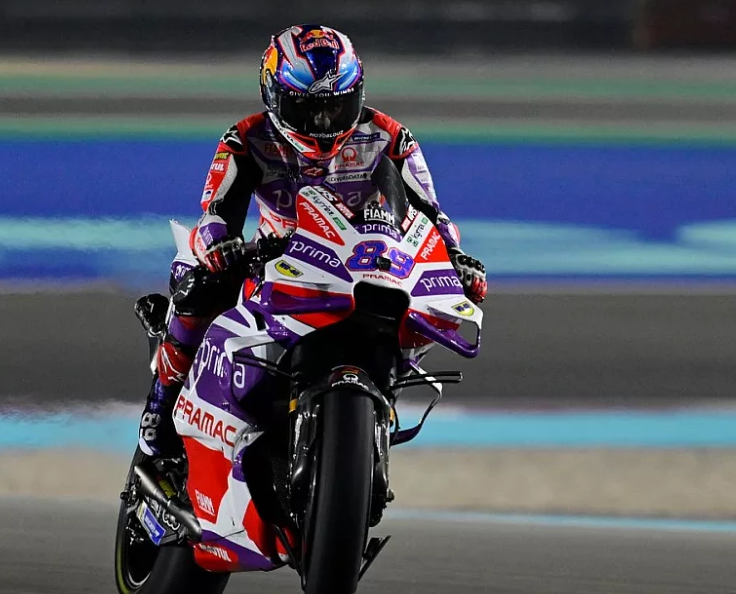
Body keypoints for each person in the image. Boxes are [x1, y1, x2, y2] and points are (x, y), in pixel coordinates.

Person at [131, 24, 487, 484]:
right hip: (278, 262)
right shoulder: (246, 139)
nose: (323, 123)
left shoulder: (391, 138)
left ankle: (369, 420)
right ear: (274, 97)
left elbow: (431, 216)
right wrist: (218, 246)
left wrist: (457, 259)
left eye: (336, 106)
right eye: (306, 109)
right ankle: (161, 404)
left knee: (412, 314)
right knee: (197, 285)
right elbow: (216, 212)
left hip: (362, 263)